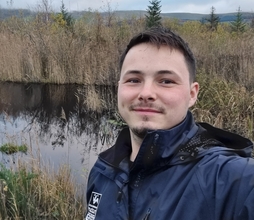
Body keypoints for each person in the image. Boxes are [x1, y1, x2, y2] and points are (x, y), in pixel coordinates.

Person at [85, 27, 254, 220]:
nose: (146, 93)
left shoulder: (229, 179)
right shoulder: (103, 172)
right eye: (133, 80)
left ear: (192, 94)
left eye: (165, 81)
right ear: (119, 89)